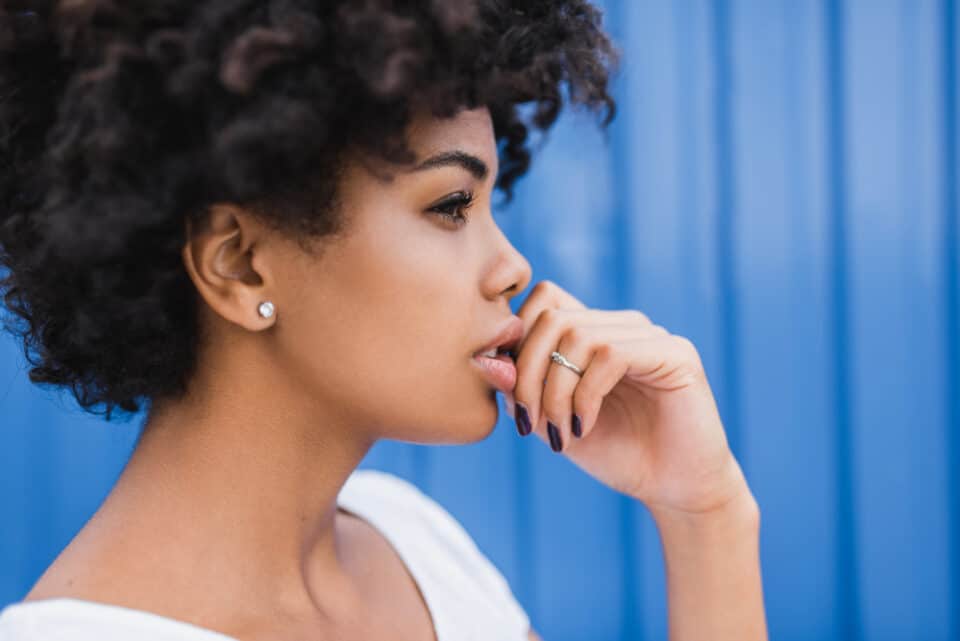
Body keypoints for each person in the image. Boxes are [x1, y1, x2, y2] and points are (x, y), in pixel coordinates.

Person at [0, 1, 768, 639]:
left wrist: (705, 512)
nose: (514, 269)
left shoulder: (414, 548)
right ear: (239, 263)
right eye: (450, 206)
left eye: (488, 202)